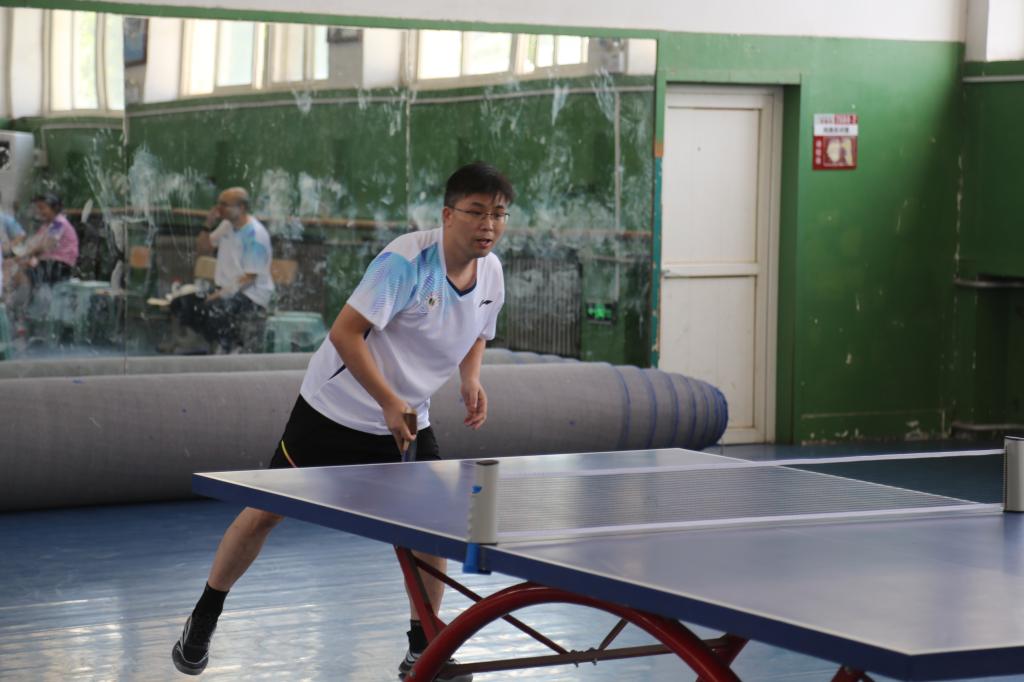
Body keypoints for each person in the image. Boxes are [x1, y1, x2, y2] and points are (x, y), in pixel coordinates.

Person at [171, 162, 514, 680]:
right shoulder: (405, 262)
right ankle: (204, 616)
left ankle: (423, 646)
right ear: (448, 215)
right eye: (476, 212)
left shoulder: (491, 272)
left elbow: (478, 330)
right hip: (334, 410)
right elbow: (345, 333)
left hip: (407, 417)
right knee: (265, 513)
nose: (488, 224)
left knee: (429, 530)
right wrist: (387, 400)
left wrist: (470, 378)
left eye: (499, 214)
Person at [170, 187, 274, 353]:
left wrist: (217, 295)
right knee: (181, 304)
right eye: (219, 203)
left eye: (225, 204)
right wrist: (208, 224)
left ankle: (232, 345)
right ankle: (207, 342)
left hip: (251, 294)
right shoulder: (227, 225)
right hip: (226, 288)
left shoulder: (255, 235)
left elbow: (249, 279)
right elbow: (203, 249)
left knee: (213, 309)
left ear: (241, 207)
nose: (218, 208)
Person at [19, 193, 77, 287]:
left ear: (54, 208)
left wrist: (25, 253)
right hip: (49, 262)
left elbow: (48, 244)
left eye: (42, 208)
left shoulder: (59, 222)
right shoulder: (46, 225)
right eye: (37, 208)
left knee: (26, 273)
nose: (39, 211)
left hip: (59, 264)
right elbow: (35, 243)